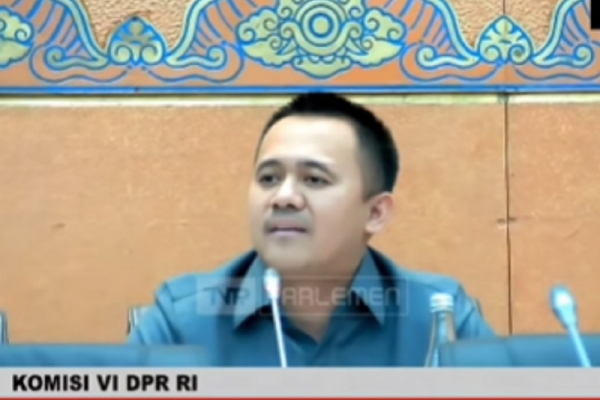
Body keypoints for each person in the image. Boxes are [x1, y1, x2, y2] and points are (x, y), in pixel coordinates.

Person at [127, 92, 495, 366]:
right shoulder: (182, 323)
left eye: (314, 180)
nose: (283, 197)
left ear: (375, 213)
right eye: (269, 178)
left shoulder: (438, 318)